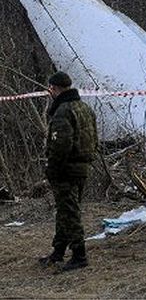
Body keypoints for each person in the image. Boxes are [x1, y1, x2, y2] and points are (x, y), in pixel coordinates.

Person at [38, 71, 98, 271]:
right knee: (65, 210)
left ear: (53, 89)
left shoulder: (63, 111)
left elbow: (61, 145)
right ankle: (58, 251)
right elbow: (94, 140)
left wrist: (52, 169)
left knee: (69, 212)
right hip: (82, 166)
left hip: (66, 169)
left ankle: (79, 255)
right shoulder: (85, 109)